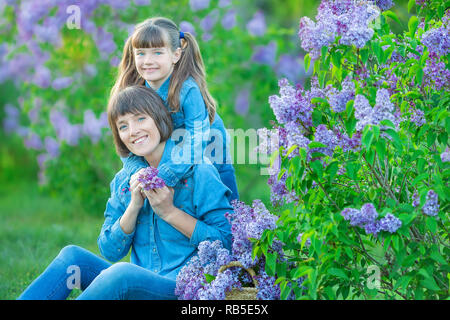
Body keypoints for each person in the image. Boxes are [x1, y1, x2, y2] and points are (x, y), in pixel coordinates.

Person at [18, 85, 232, 300]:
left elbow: (226, 243)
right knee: (72, 258)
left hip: (183, 290)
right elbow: (110, 251)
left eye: (140, 119)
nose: (133, 131)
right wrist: (134, 206)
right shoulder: (124, 180)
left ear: (159, 119)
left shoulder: (199, 171)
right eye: (123, 126)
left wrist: (169, 212)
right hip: (139, 284)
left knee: (122, 274)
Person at [111, 17, 239, 202]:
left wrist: (164, 176)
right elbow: (125, 144)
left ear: (176, 55)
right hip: (175, 149)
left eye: (157, 53)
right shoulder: (133, 92)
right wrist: (139, 172)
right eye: (141, 53)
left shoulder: (187, 90)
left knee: (221, 195)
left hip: (208, 145)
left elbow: (197, 139)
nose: (148, 61)